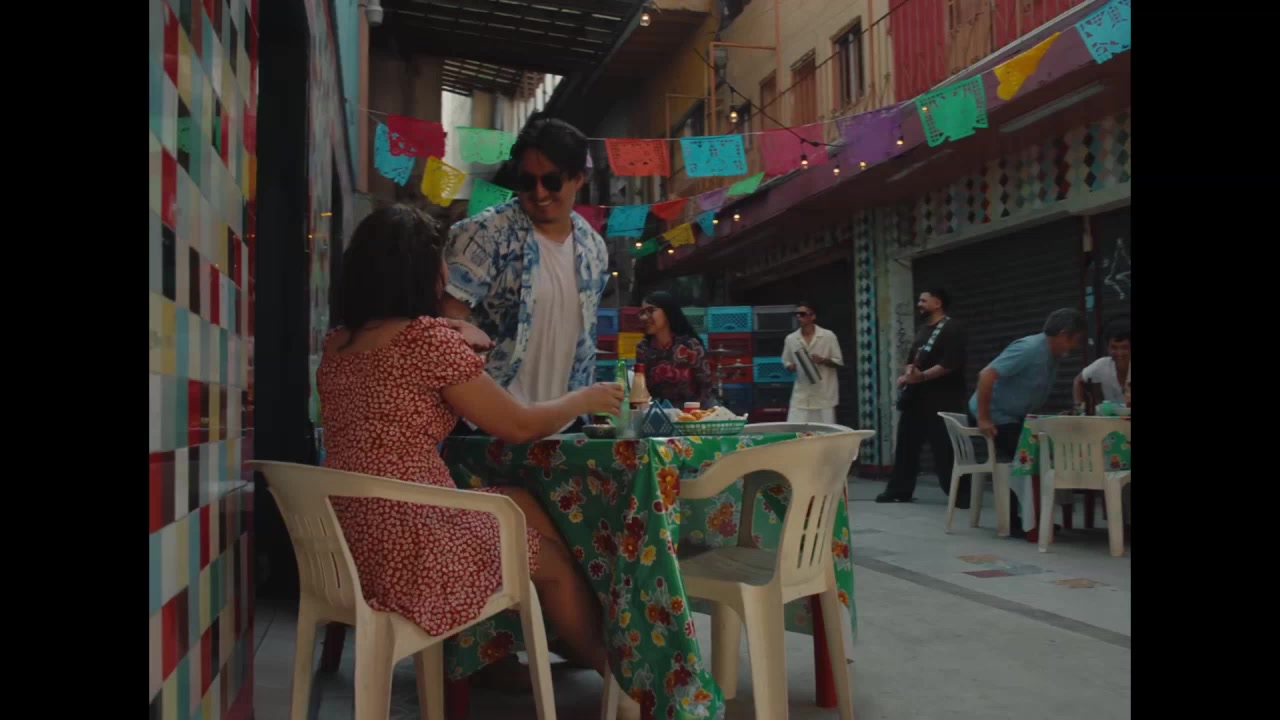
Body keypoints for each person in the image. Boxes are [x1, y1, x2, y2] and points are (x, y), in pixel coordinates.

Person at [317, 206, 640, 718]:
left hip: (350, 535)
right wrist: (585, 398)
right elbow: (518, 425)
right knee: (553, 564)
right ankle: (614, 675)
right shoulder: (424, 342)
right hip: (411, 547)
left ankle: (516, 650)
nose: (448, 273)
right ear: (422, 273)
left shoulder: (337, 343)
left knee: (518, 503)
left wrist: (452, 332)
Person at [442, 113, 610, 433]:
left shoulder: (594, 248)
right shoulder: (485, 234)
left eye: (552, 181)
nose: (539, 192)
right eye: (527, 181)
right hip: (485, 424)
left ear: (578, 179)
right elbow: (447, 328)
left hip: (565, 426)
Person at [970, 308, 1087, 535]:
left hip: (1015, 417)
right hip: (995, 415)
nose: (1076, 346)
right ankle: (1021, 523)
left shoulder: (1052, 355)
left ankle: (1033, 517)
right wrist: (984, 418)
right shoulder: (1028, 349)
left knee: (1043, 451)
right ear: (1064, 335)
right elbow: (986, 375)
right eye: (1076, 340)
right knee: (1027, 455)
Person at [877, 287, 970, 505]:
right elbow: (913, 360)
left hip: (944, 397)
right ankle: (899, 490)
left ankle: (961, 494)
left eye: (923, 300)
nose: (919, 304)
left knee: (945, 447)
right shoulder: (923, 331)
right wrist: (907, 375)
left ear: (938, 303)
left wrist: (923, 377)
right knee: (906, 444)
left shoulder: (953, 328)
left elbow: (951, 363)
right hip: (917, 397)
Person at [633, 291, 713, 407]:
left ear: (668, 312)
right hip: (658, 411)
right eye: (642, 313)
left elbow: (706, 387)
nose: (644, 317)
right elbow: (642, 389)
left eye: (650, 310)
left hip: (692, 411)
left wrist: (693, 412)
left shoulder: (690, 346)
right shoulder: (643, 348)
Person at [782, 301, 844, 423]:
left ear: (812, 316)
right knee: (796, 428)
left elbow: (838, 361)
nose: (799, 317)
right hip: (801, 395)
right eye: (796, 314)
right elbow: (786, 360)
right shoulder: (791, 339)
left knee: (824, 430)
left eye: (802, 314)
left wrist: (823, 360)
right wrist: (790, 367)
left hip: (824, 393)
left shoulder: (828, 336)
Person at [1073, 322, 1131, 406]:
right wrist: (1079, 407)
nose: (1119, 353)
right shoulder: (1102, 365)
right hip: (1110, 414)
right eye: (1114, 347)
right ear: (1108, 348)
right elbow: (1078, 380)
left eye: (1124, 347)